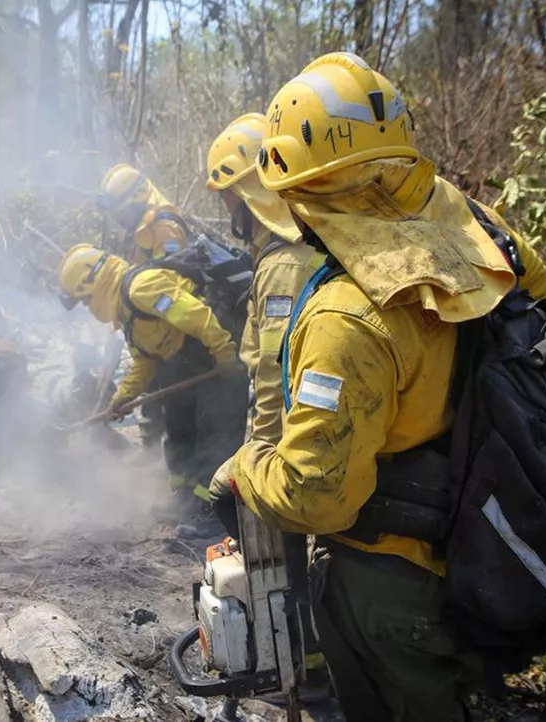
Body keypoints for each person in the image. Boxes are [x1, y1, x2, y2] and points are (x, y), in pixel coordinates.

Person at [209, 52, 546, 722]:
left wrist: (249, 467)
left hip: (395, 588)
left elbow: (316, 498)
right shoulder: (487, 233)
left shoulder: (348, 316)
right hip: (499, 546)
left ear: (293, 190)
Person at [205, 112, 332, 702]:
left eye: (229, 196)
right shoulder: (312, 242)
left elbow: (272, 383)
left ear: (248, 193)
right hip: (339, 434)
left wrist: (251, 470)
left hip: (310, 445)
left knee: (226, 495)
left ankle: (301, 649)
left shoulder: (282, 263)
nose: (228, 211)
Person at [58, 244, 248, 507]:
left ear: (96, 283)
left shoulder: (141, 287)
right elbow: (144, 361)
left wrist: (225, 354)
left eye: (86, 299)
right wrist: (123, 397)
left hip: (216, 356)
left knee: (213, 437)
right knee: (180, 433)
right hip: (188, 362)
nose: (89, 306)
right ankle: (184, 501)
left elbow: (197, 316)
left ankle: (213, 511)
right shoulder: (125, 310)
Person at [97, 164, 190, 265]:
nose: (117, 219)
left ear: (137, 199)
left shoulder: (164, 231)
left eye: (121, 212)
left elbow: (167, 276)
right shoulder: (142, 230)